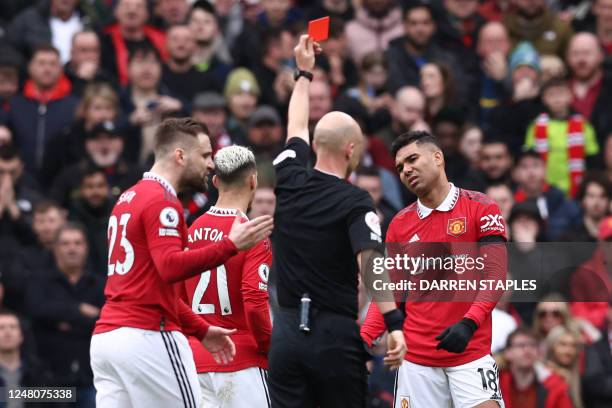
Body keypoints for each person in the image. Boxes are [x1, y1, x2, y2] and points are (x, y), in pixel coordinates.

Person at [90, 117, 273, 408]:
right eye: (204, 155)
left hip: (107, 338)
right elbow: (171, 268)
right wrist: (229, 246)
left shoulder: (127, 197)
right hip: (148, 336)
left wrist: (201, 330)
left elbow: (161, 287)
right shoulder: (163, 201)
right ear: (180, 155)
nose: (210, 164)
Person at [268, 35, 406, 408]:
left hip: (285, 336)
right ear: (352, 151)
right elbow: (370, 262)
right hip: (333, 336)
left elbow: (296, 124)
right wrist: (394, 324)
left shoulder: (289, 177)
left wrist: (304, 73)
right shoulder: (356, 200)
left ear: (315, 146)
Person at [360, 130, 507, 408]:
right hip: (416, 362)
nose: (406, 170)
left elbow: (495, 276)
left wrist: (468, 323)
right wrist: (363, 339)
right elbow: (389, 293)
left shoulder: (481, 208)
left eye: (412, 159)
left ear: (437, 157)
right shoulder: (399, 224)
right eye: (400, 167)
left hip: (470, 353)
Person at [183, 145, 272, 407]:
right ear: (253, 180)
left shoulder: (190, 231)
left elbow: (176, 298)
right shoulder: (252, 234)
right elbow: (255, 303)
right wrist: (269, 347)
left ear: (216, 181)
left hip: (194, 362)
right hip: (241, 362)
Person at [25, 223, 104, 406]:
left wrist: (59, 319)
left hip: (90, 379)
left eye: (77, 243)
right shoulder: (39, 280)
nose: (72, 249)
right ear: (55, 248)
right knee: (8, 396)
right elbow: (36, 309)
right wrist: (79, 310)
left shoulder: (100, 284)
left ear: (86, 248)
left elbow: (104, 320)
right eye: (65, 243)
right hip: (47, 382)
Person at [5, 44, 79, 179]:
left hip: (62, 180)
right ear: (30, 67)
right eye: (41, 63)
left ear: (61, 69)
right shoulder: (14, 105)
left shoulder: (75, 106)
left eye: (52, 64)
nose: (47, 69)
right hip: (21, 179)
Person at [524, 76, 599, 198]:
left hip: (575, 189)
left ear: (570, 96)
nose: (557, 99)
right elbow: (529, 159)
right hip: (543, 189)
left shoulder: (584, 126)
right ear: (544, 99)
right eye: (551, 95)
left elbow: (592, 159)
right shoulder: (535, 126)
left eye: (561, 94)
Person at [500, 327, 574, 408]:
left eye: (532, 345)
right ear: (507, 352)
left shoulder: (555, 385)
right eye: (521, 345)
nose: (527, 350)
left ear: (539, 352)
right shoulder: (495, 383)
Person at [101, 0, 168, 86]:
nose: (132, 11)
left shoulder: (162, 41)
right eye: (126, 6)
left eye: (139, 6)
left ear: (147, 14)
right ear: (115, 11)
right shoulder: (102, 40)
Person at [544, 325, 584, 408]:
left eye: (573, 346)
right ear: (551, 346)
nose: (568, 351)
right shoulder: (543, 374)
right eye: (563, 344)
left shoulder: (577, 376)